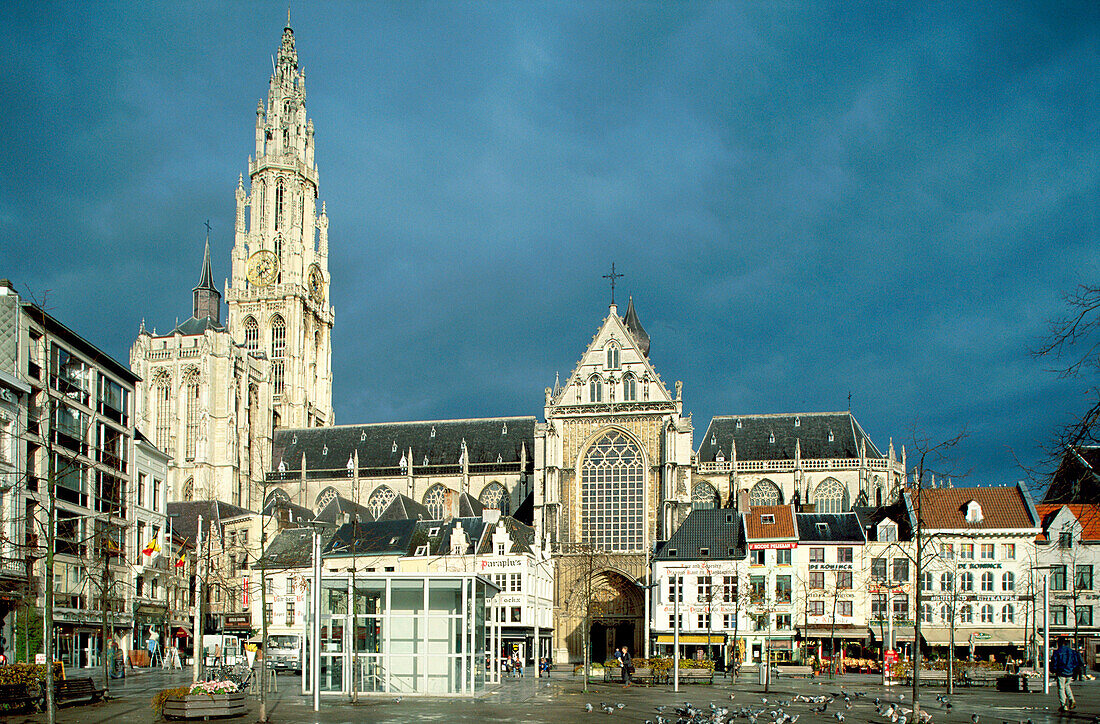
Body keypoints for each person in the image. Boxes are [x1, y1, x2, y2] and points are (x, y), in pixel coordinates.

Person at [1050, 637, 1082, 711]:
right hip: (1070, 672)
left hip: (1061, 672)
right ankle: (1071, 699)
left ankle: (1063, 705)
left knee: (1061, 688)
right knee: (1067, 686)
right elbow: (1076, 662)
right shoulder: (1071, 651)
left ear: (1058, 643)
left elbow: (1054, 663)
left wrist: (1054, 670)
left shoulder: (1057, 652)